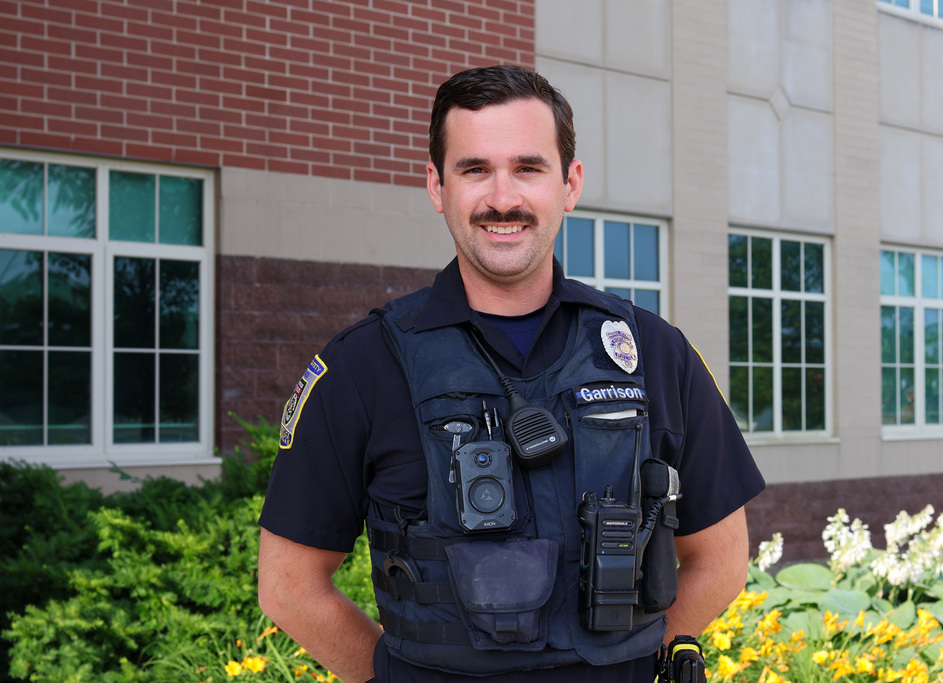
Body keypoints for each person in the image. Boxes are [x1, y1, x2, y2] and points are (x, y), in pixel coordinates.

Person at [257, 64, 765, 683]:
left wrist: (646, 655)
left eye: (528, 167)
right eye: (474, 170)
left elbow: (722, 559)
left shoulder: (653, 351)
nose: (503, 198)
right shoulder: (363, 365)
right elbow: (289, 587)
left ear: (570, 183)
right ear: (437, 186)